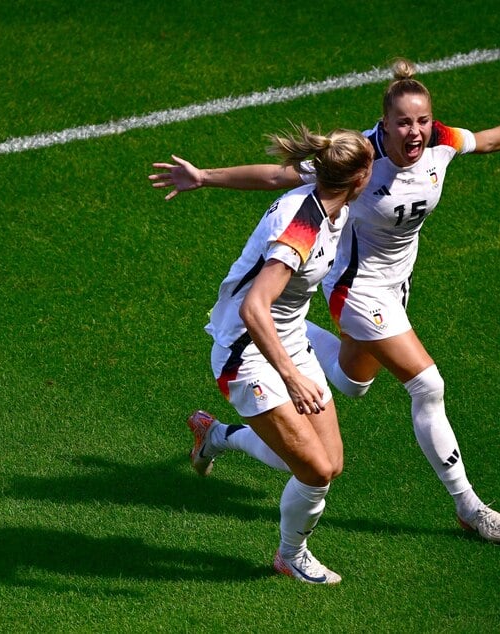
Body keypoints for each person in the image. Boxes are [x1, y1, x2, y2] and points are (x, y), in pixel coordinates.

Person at [153, 58, 500, 544]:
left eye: (421, 121)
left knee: (352, 386)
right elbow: (278, 175)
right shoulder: (360, 158)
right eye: (403, 122)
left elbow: (488, 139)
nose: (415, 132)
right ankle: (469, 506)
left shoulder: (440, 139)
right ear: (385, 123)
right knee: (427, 385)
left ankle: (220, 434)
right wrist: (205, 176)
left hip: (395, 288)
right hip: (356, 291)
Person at [191, 123, 373, 584]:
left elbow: (273, 176)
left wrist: (204, 176)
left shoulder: (327, 189)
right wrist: (291, 376)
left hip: (287, 336)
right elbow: (255, 306)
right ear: (359, 179)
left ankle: (217, 436)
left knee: (330, 463)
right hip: (245, 352)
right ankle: (290, 555)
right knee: (313, 472)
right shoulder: (302, 229)